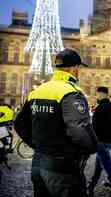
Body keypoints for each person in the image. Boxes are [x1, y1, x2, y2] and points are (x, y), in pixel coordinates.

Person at [14, 49, 98, 197]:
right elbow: (79, 130)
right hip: (62, 168)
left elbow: (19, 124)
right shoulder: (70, 92)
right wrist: (92, 147)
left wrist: (37, 145)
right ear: (74, 69)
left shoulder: (38, 90)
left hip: (38, 163)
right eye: (79, 68)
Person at [88, 86, 111, 197]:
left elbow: (94, 127)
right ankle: (91, 186)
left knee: (109, 169)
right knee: (99, 166)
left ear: (101, 94)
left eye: (97, 94)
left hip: (100, 142)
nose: (96, 96)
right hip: (109, 142)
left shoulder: (99, 108)